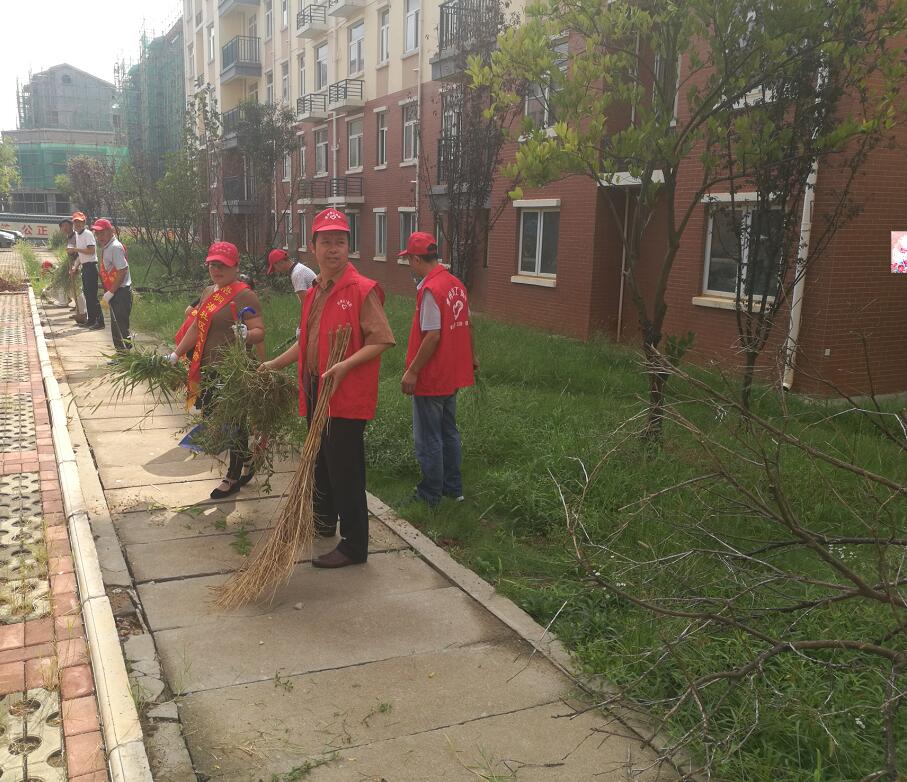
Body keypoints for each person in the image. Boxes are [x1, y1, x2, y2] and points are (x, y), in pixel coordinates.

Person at [261, 208, 395, 569]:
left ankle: (354, 545)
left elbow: (382, 340)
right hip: (315, 387)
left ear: (349, 247)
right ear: (313, 247)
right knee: (321, 460)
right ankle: (322, 522)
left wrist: (346, 364)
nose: (333, 249)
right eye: (326, 242)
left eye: (340, 242)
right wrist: (275, 363)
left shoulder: (362, 290)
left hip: (345, 394)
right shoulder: (315, 290)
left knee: (344, 468)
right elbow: (307, 341)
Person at [168, 242, 266, 499]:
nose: (216, 269)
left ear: (235, 266)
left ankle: (232, 478)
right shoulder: (208, 292)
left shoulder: (245, 295)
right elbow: (195, 328)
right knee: (214, 419)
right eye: (212, 264)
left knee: (233, 422)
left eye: (222, 265)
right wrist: (177, 353)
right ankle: (247, 459)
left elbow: (259, 331)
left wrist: (246, 334)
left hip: (233, 371)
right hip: (208, 368)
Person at [399, 232, 477, 506]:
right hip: (452, 372)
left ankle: (429, 494)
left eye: (409, 260)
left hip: (433, 376)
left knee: (428, 438)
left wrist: (413, 371)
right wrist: (472, 357)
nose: (409, 265)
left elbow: (432, 335)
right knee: (448, 432)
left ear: (416, 259)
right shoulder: (456, 284)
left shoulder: (431, 289)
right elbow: (467, 324)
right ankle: (453, 489)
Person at [91, 219, 132, 355]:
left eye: (102, 233)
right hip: (116, 291)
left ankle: (124, 355)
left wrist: (111, 292)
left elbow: (122, 270)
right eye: (97, 234)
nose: (99, 237)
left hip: (121, 292)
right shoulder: (108, 246)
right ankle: (121, 354)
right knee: (116, 325)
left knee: (120, 326)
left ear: (110, 231)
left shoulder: (115, 247)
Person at [72, 212, 103, 330]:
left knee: (92, 296)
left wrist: (76, 249)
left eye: (80, 222)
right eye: (75, 222)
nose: (77, 224)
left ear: (84, 222)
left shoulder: (88, 234)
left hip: (91, 267)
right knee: (87, 295)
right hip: (85, 267)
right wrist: (75, 267)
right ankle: (91, 320)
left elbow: (91, 251)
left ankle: (100, 322)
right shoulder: (77, 235)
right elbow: (81, 255)